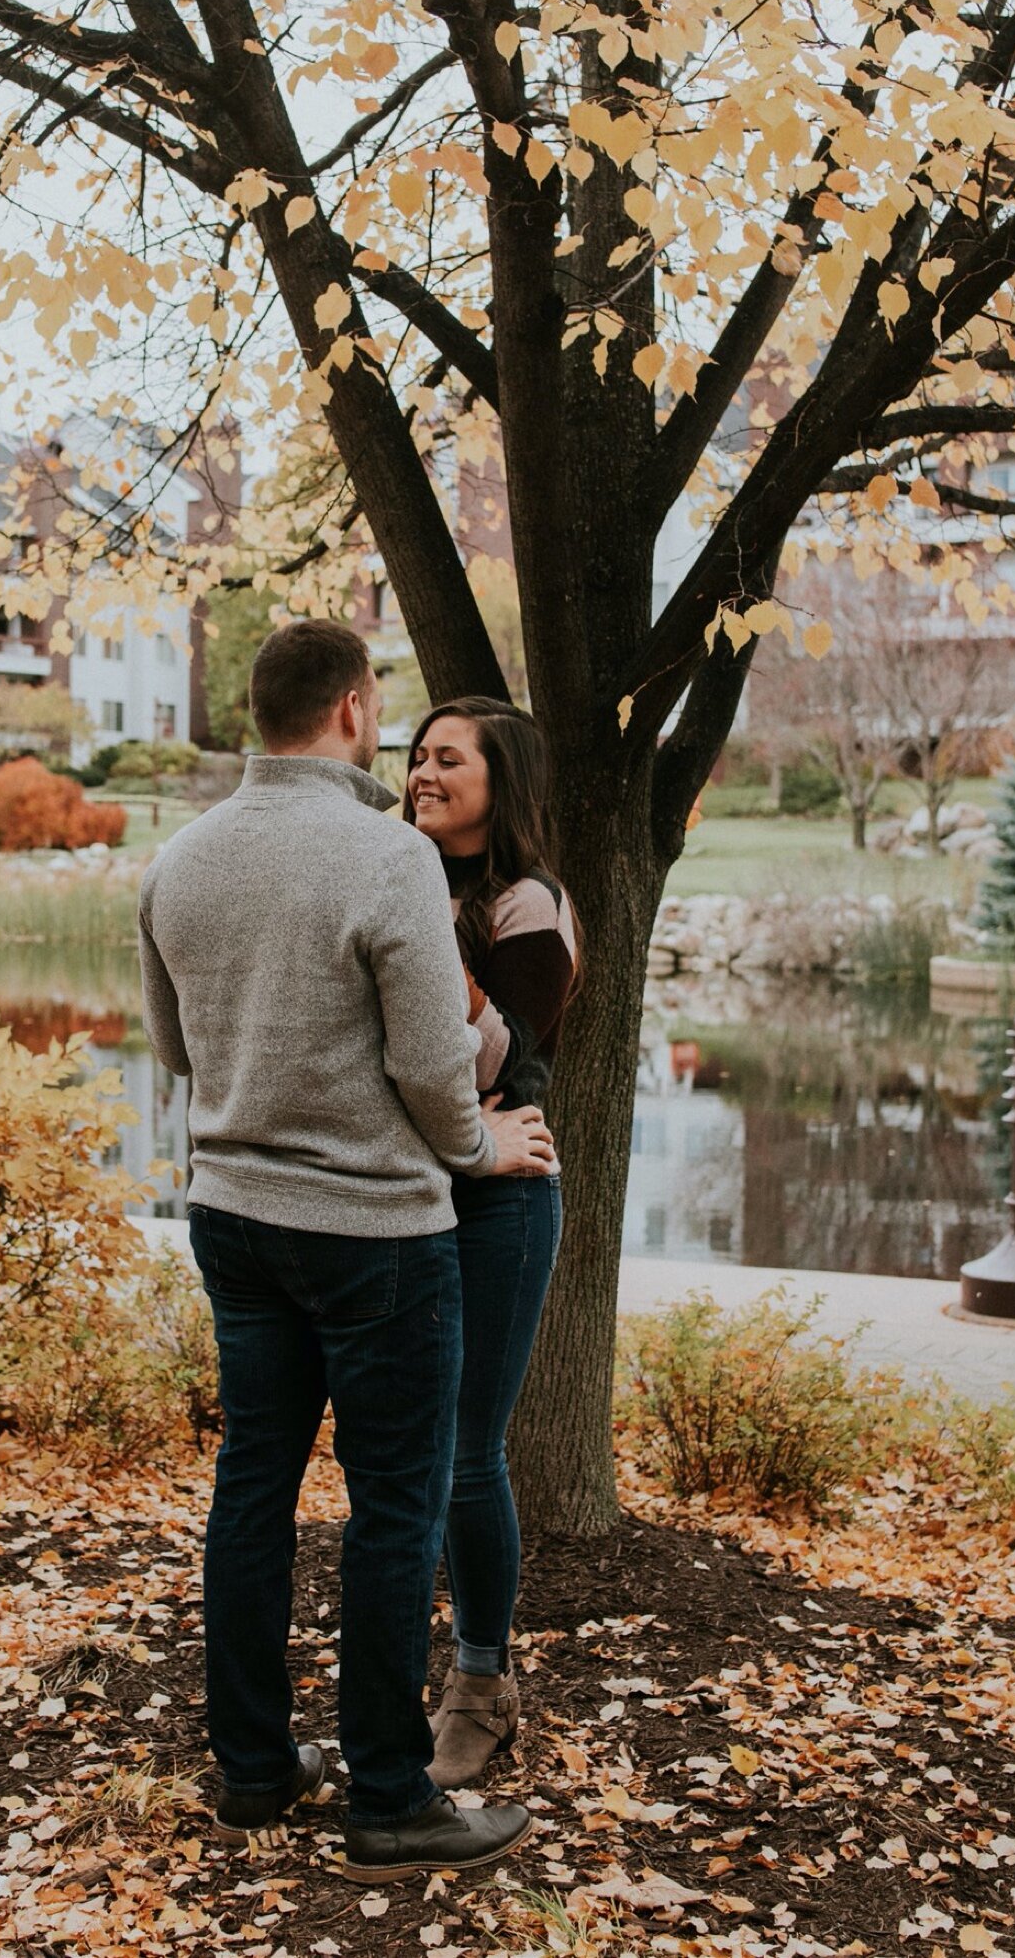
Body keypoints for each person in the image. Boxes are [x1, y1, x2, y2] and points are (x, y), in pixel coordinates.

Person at [138, 621, 554, 1883]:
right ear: (356, 711)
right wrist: (477, 1150)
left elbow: (171, 1049)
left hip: (235, 1218)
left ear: (258, 713)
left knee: (253, 1487)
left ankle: (256, 1768)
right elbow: (436, 1064)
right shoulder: (389, 857)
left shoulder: (180, 858)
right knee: (393, 1504)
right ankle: (388, 1793)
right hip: (375, 1228)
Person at [404, 698, 579, 1790]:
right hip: (409, 1189)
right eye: (416, 754)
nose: (422, 771)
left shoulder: (531, 907)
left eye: (448, 758)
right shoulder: (399, 871)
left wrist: (419, 929)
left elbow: (488, 1059)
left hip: (504, 1198)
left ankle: (481, 1683)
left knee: (469, 1444)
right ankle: (399, 1672)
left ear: (499, 778)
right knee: (405, 1442)